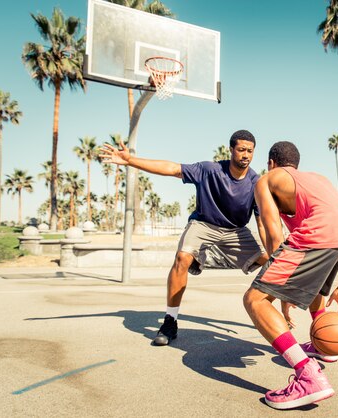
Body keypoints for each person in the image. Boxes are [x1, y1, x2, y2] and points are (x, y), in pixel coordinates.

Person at [100, 129, 268, 345]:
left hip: (236, 231)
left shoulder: (256, 183)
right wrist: (130, 160)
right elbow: (172, 169)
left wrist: (275, 257)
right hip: (204, 224)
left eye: (250, 151)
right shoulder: (210, 170)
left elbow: (262, 224)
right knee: (182, 258)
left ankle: (272, 313)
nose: (246, 155)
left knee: (274, 264)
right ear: (231, 150)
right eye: (241, 150)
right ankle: (170, 320)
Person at [243, 141, 338, 410]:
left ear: (272, 163)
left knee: (255, 300)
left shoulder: (267, 179)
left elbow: (274, 233)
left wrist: (279, 291)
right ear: (296, 164)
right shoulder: (318, 180)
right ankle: (322, 346)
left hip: (322, 235)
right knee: (314, 283)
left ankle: (308, 375)